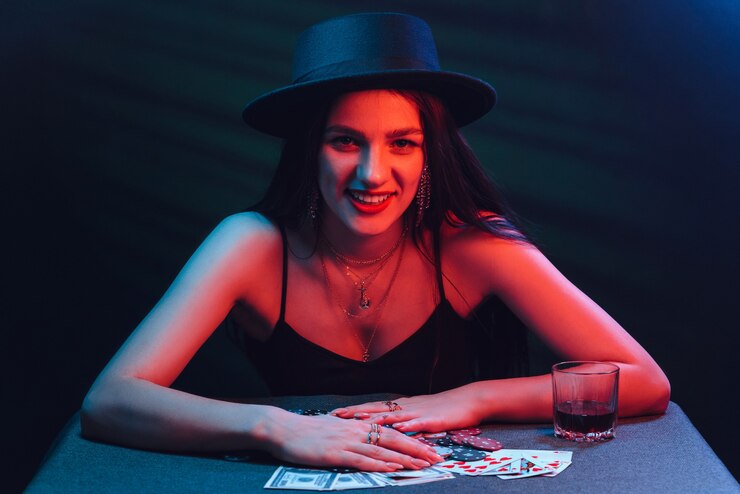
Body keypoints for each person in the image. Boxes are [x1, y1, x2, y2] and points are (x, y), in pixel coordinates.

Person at [81, 13, 670, 472]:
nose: (371, 173)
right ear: (310, 148)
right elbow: (110, 402)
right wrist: (273, 427)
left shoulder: (474, 244)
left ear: (430, 154)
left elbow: (644, 381)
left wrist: (477, 397)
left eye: (402, 144)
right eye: (344, 141)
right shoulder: (251, 244)